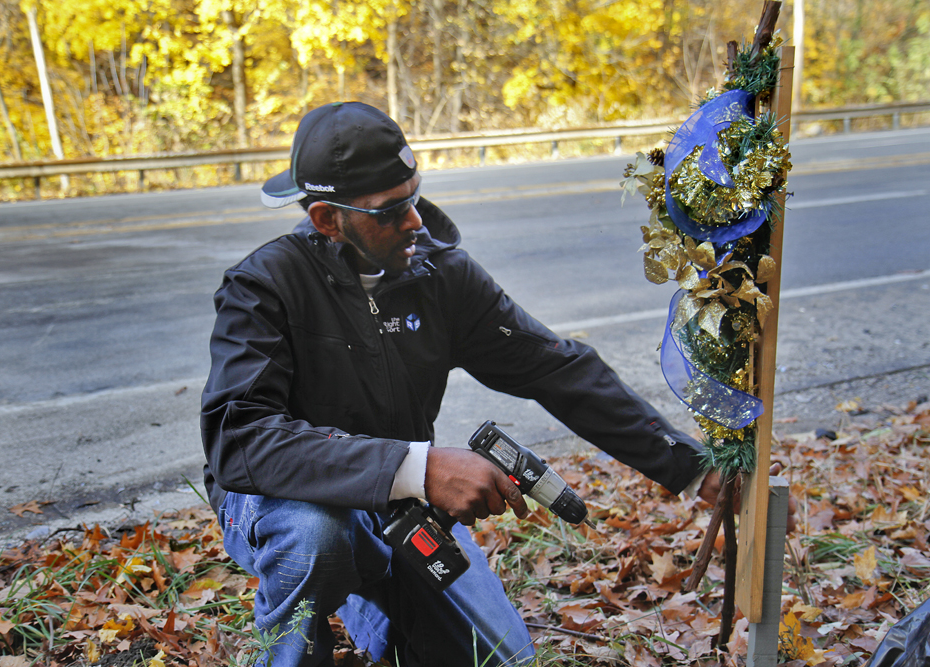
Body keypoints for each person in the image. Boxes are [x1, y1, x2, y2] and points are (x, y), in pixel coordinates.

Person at [201, 101, 719, 667]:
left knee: (501, 659)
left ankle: (377, 594)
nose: (415, 221)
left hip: (397, 506)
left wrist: (691, 468)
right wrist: (421, 468)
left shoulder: (440, 275)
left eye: (415, 196)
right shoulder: (263, 287)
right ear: (328, 218)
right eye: (391, 210)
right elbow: (240, 440)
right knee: (318, 537)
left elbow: (556, 367)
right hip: (283, 502)